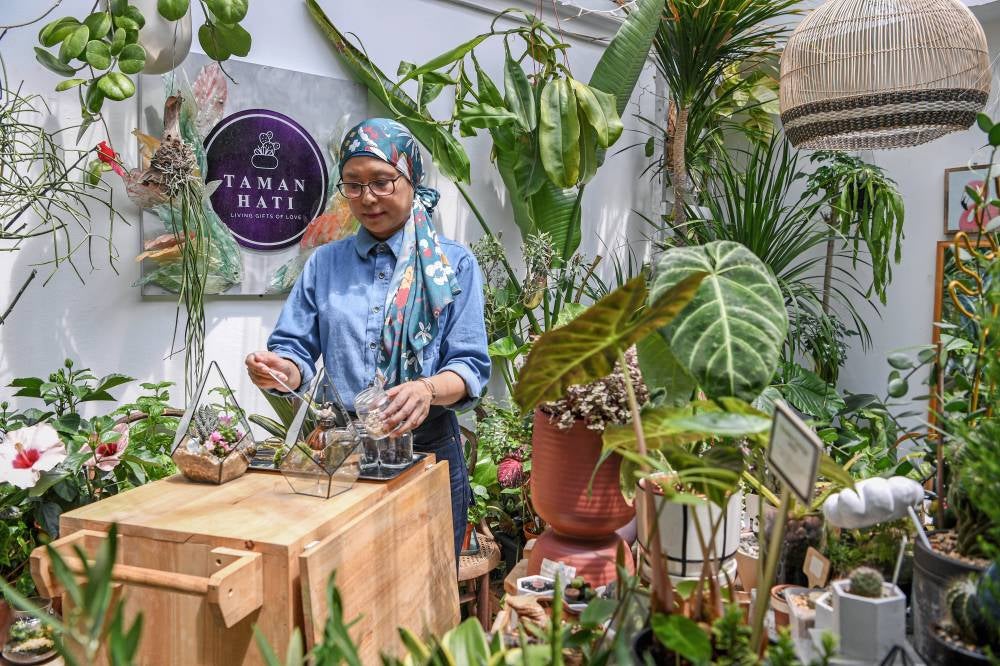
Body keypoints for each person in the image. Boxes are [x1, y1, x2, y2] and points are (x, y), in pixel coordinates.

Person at [246, 118, 490, 560]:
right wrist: (282, 370)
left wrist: (425, 389)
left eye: (381, 181)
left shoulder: (452, 265)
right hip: (342, 454)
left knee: (426, 582)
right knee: (344, 582)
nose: (368, 198)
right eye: (353, 185)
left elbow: (470, 367)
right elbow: (295, 350)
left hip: (427, 450)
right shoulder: (324, 264)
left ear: (411, 179)